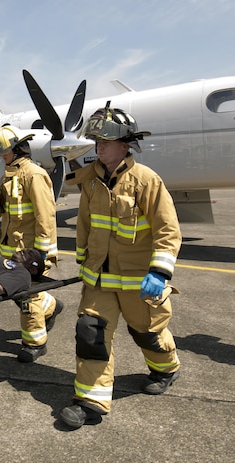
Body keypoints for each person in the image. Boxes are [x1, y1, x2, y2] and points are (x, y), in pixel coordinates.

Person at [59, 105, 182, 430]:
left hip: (139, 282)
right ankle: (90, 401)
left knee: (148, 335)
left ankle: (166, 369)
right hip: (99, 281)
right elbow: (84, 225)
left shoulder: (146, 181)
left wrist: (159, 271)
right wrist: (84, 262)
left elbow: (168, 230)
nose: (98, 146)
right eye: (96, 140)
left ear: (125, 145)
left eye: (105, 141)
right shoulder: (91, 182)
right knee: (90, 334)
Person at [0, 125, 63, 363]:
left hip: (29, 252)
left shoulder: (33, 174)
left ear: (17, 149)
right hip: (10, 249)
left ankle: (35, 343)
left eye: (4, 151)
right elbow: (1, 205)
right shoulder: (8, 174)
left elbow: (45, 215)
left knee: (27, 297)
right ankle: (51, 306)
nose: (1, 156)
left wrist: (42, 251)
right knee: (17, 293)